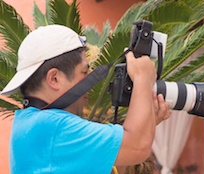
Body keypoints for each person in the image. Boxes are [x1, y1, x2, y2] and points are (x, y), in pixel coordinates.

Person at [0, 25, 170, 173]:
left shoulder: (29, 122)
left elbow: (120, 156)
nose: (89, 81)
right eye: (83, 72)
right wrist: (142, 78)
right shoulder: (53, 126)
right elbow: (137, 147)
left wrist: (145, 124)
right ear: (54, 79)